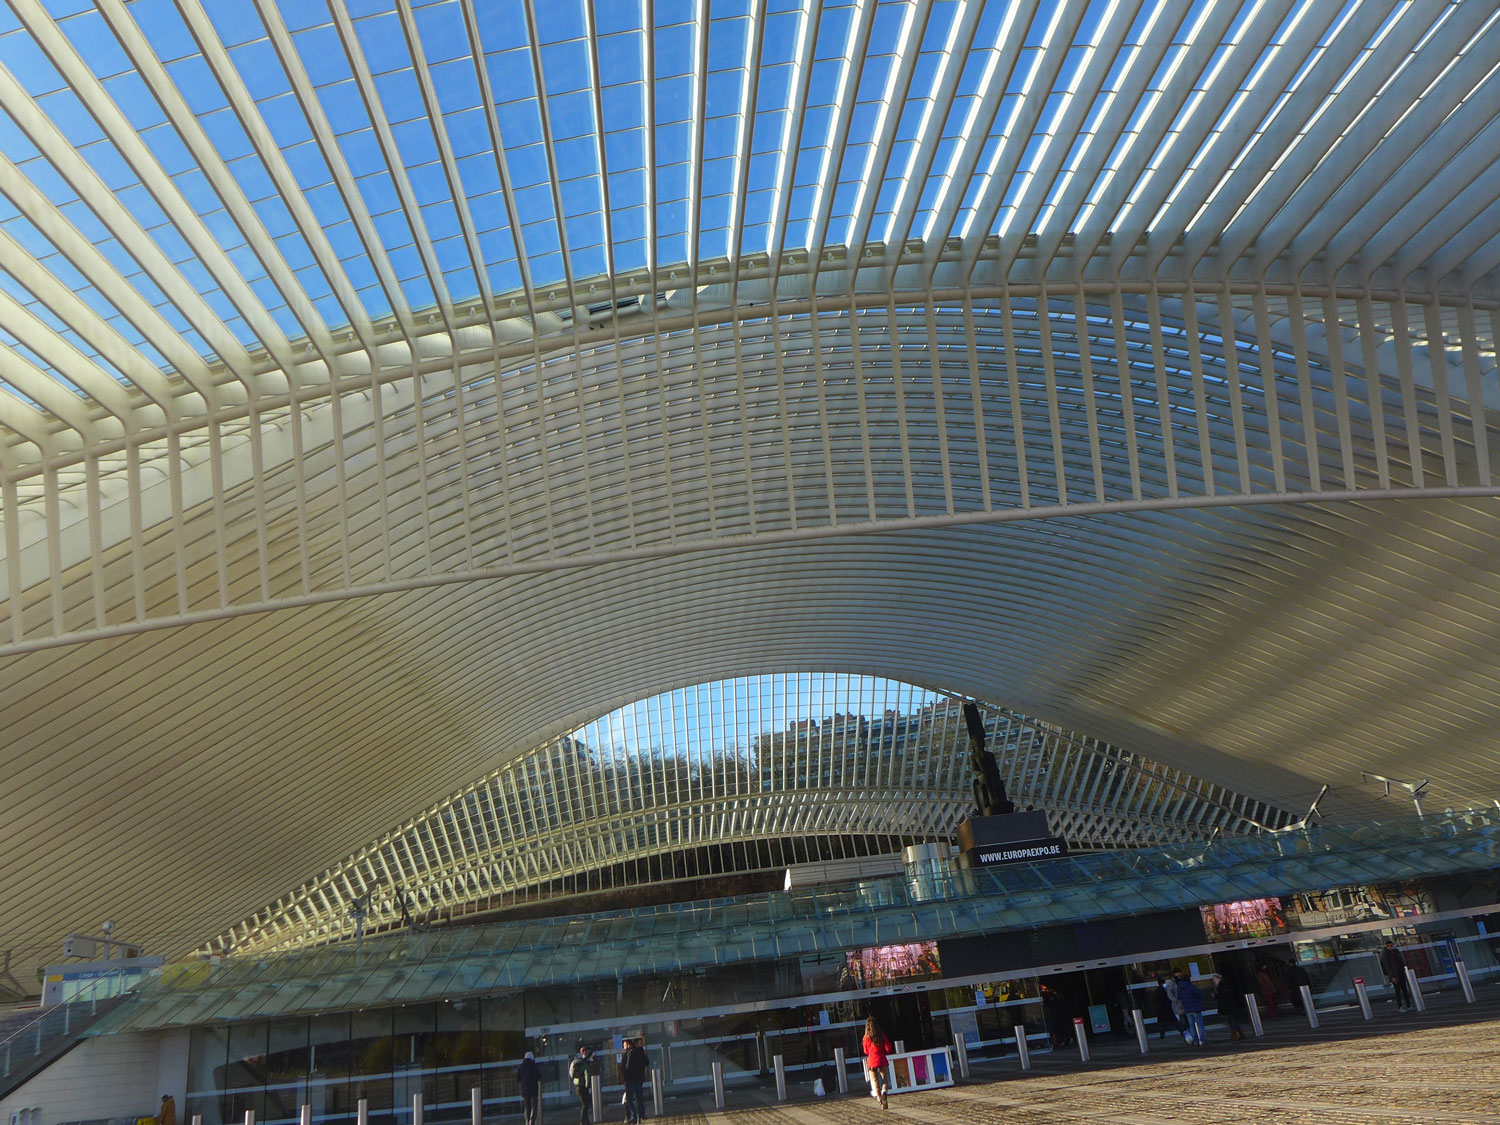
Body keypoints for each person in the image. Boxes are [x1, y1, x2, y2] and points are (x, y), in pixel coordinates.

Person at [862, 1015, 893, 1110]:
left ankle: (879, 1099)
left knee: (875, 1081)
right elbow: (888, 1048)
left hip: (872, 1062)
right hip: (881, 1059)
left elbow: (865, 1051)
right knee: (884, 1080)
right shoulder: (881, 1035)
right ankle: (884, 1091)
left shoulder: (866, 1038)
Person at [622, 1037, 650, 1123]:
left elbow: (628, 1066)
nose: (641, 1045)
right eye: (640, 1043)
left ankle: (634, 1116)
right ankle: (641, 1115)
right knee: (639, 1098)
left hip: (631, 1080)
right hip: (638, 1079)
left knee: (629, 1099)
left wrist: (626, 1078)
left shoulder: (631, 1053)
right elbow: (646, 1063)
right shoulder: (639, 1052)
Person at [1382, 940, 1413, 1011]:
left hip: (1401, 973)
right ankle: (1400, 1007)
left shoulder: (1396, 952)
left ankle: (1408, 1005)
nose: (1390, 947)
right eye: (1388, 946)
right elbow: (1387, 966)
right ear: (1386, 947)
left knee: (1404, 990)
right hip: (1395, 975)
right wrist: (1392, 977)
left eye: (1391, 946)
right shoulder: (1386, 955)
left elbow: (1401, 961)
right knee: (1398, 991)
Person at [1177, 972, 1206, 1045]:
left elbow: (1179, 997)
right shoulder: (1191, 986)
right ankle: (1202, 1040)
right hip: (1195, 1007)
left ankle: (1195, 1041)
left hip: (1187, 1009)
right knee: (1200, 1025)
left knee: (1191, 1026)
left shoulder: (1179, 988)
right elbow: (1198, 994)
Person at [569, 1044, 595, 1125]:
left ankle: (586, 1121)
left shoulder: (576, 1062)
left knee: (584, 1104)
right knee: (585, 1105)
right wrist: (588, 1085)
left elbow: (571, 1073)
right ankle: (582, 1121)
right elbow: (587, 1075)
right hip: (583, 1086)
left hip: (577, 1086)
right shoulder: (585, 1064)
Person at [1214, 974, 1244, 1041]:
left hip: (1228, 1006)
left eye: (1214, 979)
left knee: (1231, 1021)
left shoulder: (1223, 985)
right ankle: (1241, 1034)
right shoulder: (1222, 985)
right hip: (1228, 1006)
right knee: (1233, 1020)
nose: (1213, 980)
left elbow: (1224, 995)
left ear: (1218, 978)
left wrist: (1216, 996)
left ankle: (1234, 1035)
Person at [517, 1050, 541, 1125]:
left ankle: (527, 1121)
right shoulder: (534, 1066)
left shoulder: (521, 1067)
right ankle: (532, 1121)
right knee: (534, 1106)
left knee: (527, 1107)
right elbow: (539, 1076)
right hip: (533, 1089)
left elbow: (518, 1078)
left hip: (524, 1090)